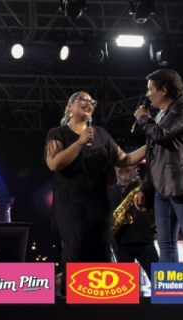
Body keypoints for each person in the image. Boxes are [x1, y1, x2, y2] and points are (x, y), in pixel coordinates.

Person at [45, 91, 146, 267]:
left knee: (101, 258)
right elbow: (53, 163)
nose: (88, 102)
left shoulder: (100, 133)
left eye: (91, 101)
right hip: (71, 208)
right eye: (82, 99)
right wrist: (80, 142)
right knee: (76, 255)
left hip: (99, 209)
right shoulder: (58, 134)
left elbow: (124, 159)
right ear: (70, 106)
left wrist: (151, 145)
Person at [133, 69, 183, 263]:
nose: (148, 94)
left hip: (182, 183)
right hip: (162, 187)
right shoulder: (160, 116)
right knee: (165, 242)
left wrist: (144, 118)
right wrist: (144, 188)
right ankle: (168, 283)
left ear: (164, 90)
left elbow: (161, 135)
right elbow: (153, 157)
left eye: (150, 89)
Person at [108, 165, 158, 278]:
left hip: (145, 242)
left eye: (128, 165)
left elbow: (156, 212)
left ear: (135, 168)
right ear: (115, 169)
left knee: (160, 281)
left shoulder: (143, 188)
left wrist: (150, 227)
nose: (124, 168)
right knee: (126, 286)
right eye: (120, 165)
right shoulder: (109, 191)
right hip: (120, 245)